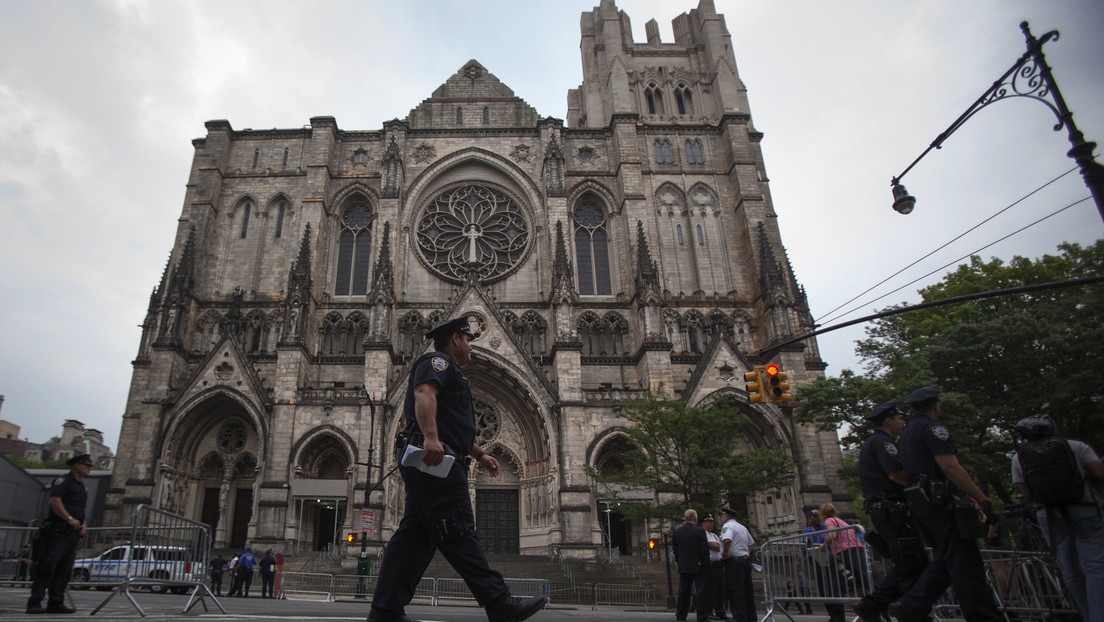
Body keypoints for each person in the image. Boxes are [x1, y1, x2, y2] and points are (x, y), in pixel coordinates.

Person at [368, 316, 547, 622]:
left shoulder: (451, 371)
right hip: (435, 462)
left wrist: (479, 454)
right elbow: (424, 395)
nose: (470, 346)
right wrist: (430, 438)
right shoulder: (437, 362)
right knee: (458, 528)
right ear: (455, 339)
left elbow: (452, 425)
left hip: (438, 459)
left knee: (415, 538)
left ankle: (385, 610)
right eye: (467, 339)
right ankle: (498, 601)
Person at [888, 386, 1000, 622]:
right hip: (940, 503)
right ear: (936, 405)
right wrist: (982, 499)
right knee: (965, 561)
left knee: (948, 558)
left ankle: (911, 604)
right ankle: (983, 616)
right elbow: (950, 467)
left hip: (919, 503)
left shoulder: (905, 434)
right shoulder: (934, 429)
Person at [1011, 413, 1104, 621]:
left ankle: (1086, 614)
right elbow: (1099, 474)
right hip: (1084, 509)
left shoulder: (1019, 457)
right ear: (1052, 429)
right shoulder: (1075, 446)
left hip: (1050, 516)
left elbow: (1026, 493)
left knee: (1069, 567)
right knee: (1095, 566)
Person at [854, 402, 929, 622]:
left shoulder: (872, 443)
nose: (902, 422)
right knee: (911, 561)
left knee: (909, 562)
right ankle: (893, 607)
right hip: (891, 510)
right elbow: (896, 474)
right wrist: (920, 487)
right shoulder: (883, 443)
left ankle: (879, 604)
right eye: (899, 418)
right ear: (888, 420)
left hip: (885, 510)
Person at [26, 453, 92, 615]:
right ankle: (35, 602)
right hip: (58, 531)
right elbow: (54, 501)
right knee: (48, 567)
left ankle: (56, 602)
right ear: (75, 465)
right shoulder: (63, 481)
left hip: (72, 534)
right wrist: (69, 519)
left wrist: (82, 525)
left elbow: (81, 510)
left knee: (64, 570)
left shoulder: (81, 486)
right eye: (86, 464)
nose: (89, 468)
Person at [816, 503, 870, 599]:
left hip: (847, 551)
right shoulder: (842, 522)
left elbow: (832, 535)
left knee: (858, 578)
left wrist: (823, 547)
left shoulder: (829, 520)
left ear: (822, 514)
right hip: (857, 549)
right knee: (861, 577)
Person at [803, 509, 843, 622]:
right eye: (813, 516)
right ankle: (832, 615)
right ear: (809, 518)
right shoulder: (806, 530)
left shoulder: (826, 527)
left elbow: (831, 539)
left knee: (833, 588)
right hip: (816, 561)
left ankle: (839, 616)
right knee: (823, 589)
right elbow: (803, 545)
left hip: (830, 560)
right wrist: (799, 559)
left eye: (817, 516)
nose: (815, 518)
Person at [719, 506, 755, 622]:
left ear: (725, 516)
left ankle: (739, 616)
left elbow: (727, 540)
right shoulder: (742, 527)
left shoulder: (728, 526)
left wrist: (725, 554)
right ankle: (750, 616)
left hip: (734, 562)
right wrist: (744, 553)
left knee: (735, 590)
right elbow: (751, 544)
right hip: (745, 561)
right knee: (747, 590)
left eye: (722, 516)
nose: (721, 519)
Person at [672, 508, 709, 621]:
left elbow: (675, 550)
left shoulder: (677, 531)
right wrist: (705, 562)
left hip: (684, 565)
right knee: (701, 590)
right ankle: (702, 615)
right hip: (698, 565)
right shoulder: (700, 531)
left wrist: (679, 561)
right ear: (695, 519)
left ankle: (681, 614)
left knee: (684, 591)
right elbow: (704, 550)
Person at [700, 514, 725, 620]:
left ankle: (720, 611)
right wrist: (719, 546)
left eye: (712, 522)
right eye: (708, 522)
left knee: (721, 589)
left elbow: (720, 547)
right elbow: (715, 546)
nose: (711, 524)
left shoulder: (714, 535)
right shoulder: (702, 534)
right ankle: (708, 611)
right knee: (711, 590)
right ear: (703, 523)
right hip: (710, 566)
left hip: (719, 565)